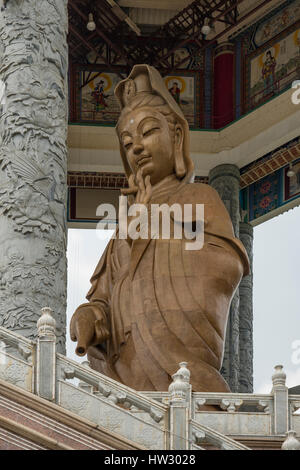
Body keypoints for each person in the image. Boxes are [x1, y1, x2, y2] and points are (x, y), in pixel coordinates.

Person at [70, 65, 249, 392]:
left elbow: (226, 267)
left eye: (149, 132)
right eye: (127, 143)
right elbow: (107, 296)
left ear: (177, 137)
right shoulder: (126, 222)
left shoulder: (199, 197)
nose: (136, 147)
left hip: (184, 375)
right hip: (127, 383)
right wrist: (90, 314)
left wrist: (154, 229)